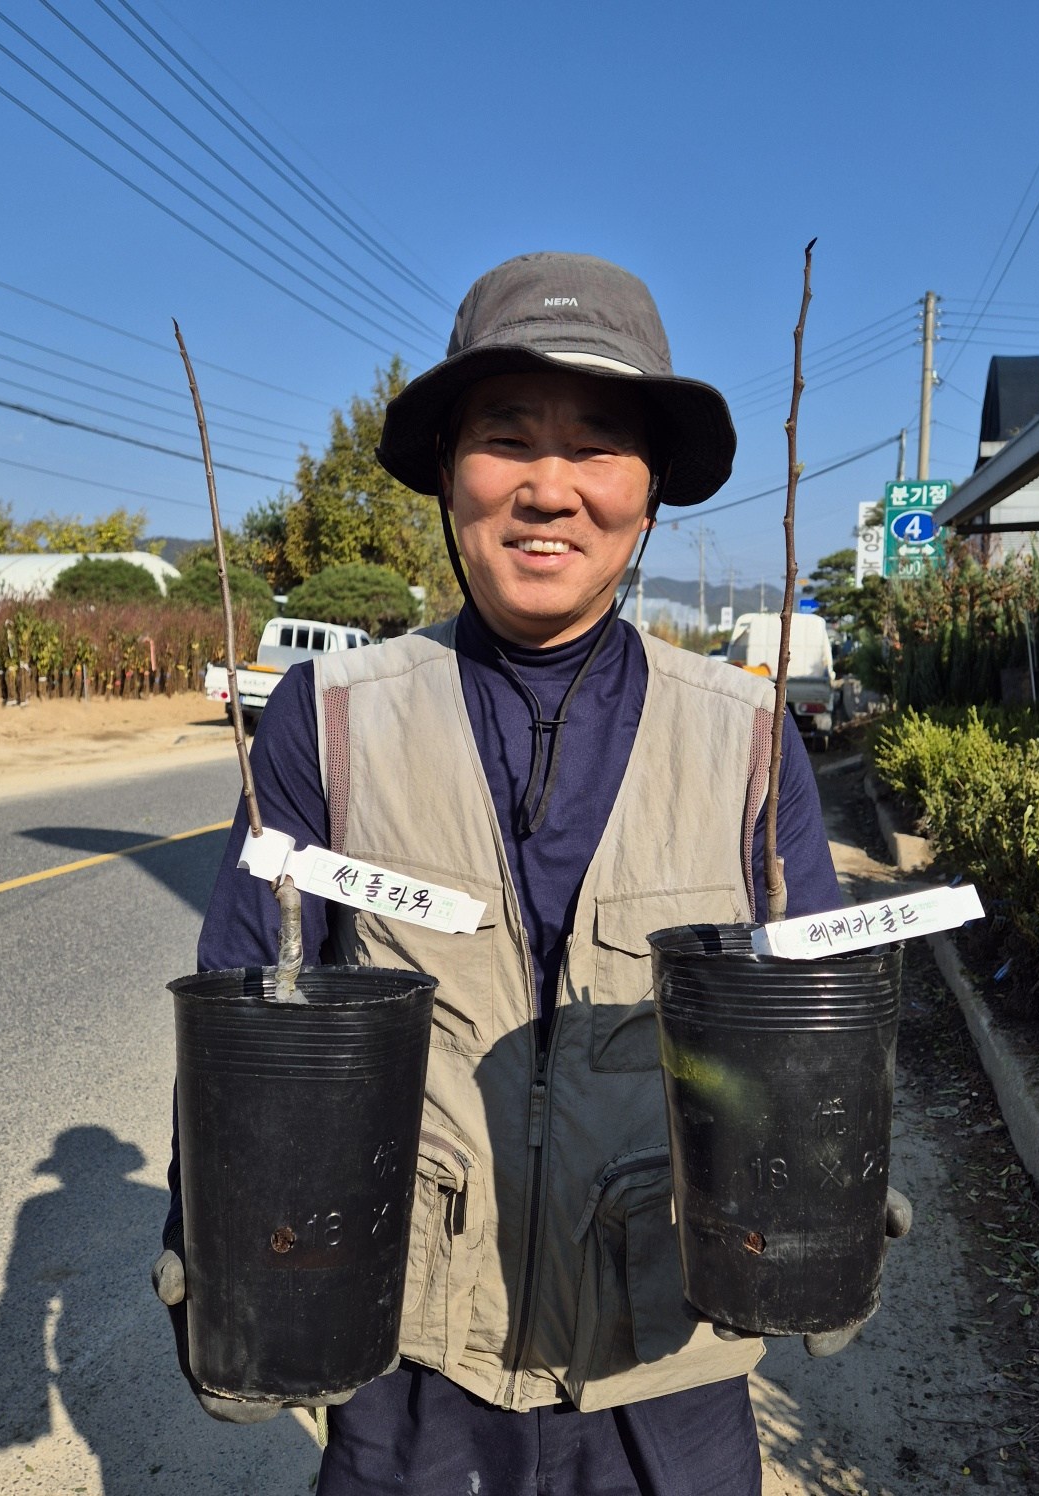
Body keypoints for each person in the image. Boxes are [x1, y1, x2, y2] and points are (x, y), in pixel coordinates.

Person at [153, 251, 908, 1494]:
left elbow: (807, 1010)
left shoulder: (745, 735)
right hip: (408, 1354)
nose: (548, 487)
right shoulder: (327, 719)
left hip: (665, 1360)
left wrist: (836, 1178)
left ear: (648, 495)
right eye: (506, 438)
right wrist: (211, 1235)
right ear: (449, 474)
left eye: (596, 445)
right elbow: (242, 1006)